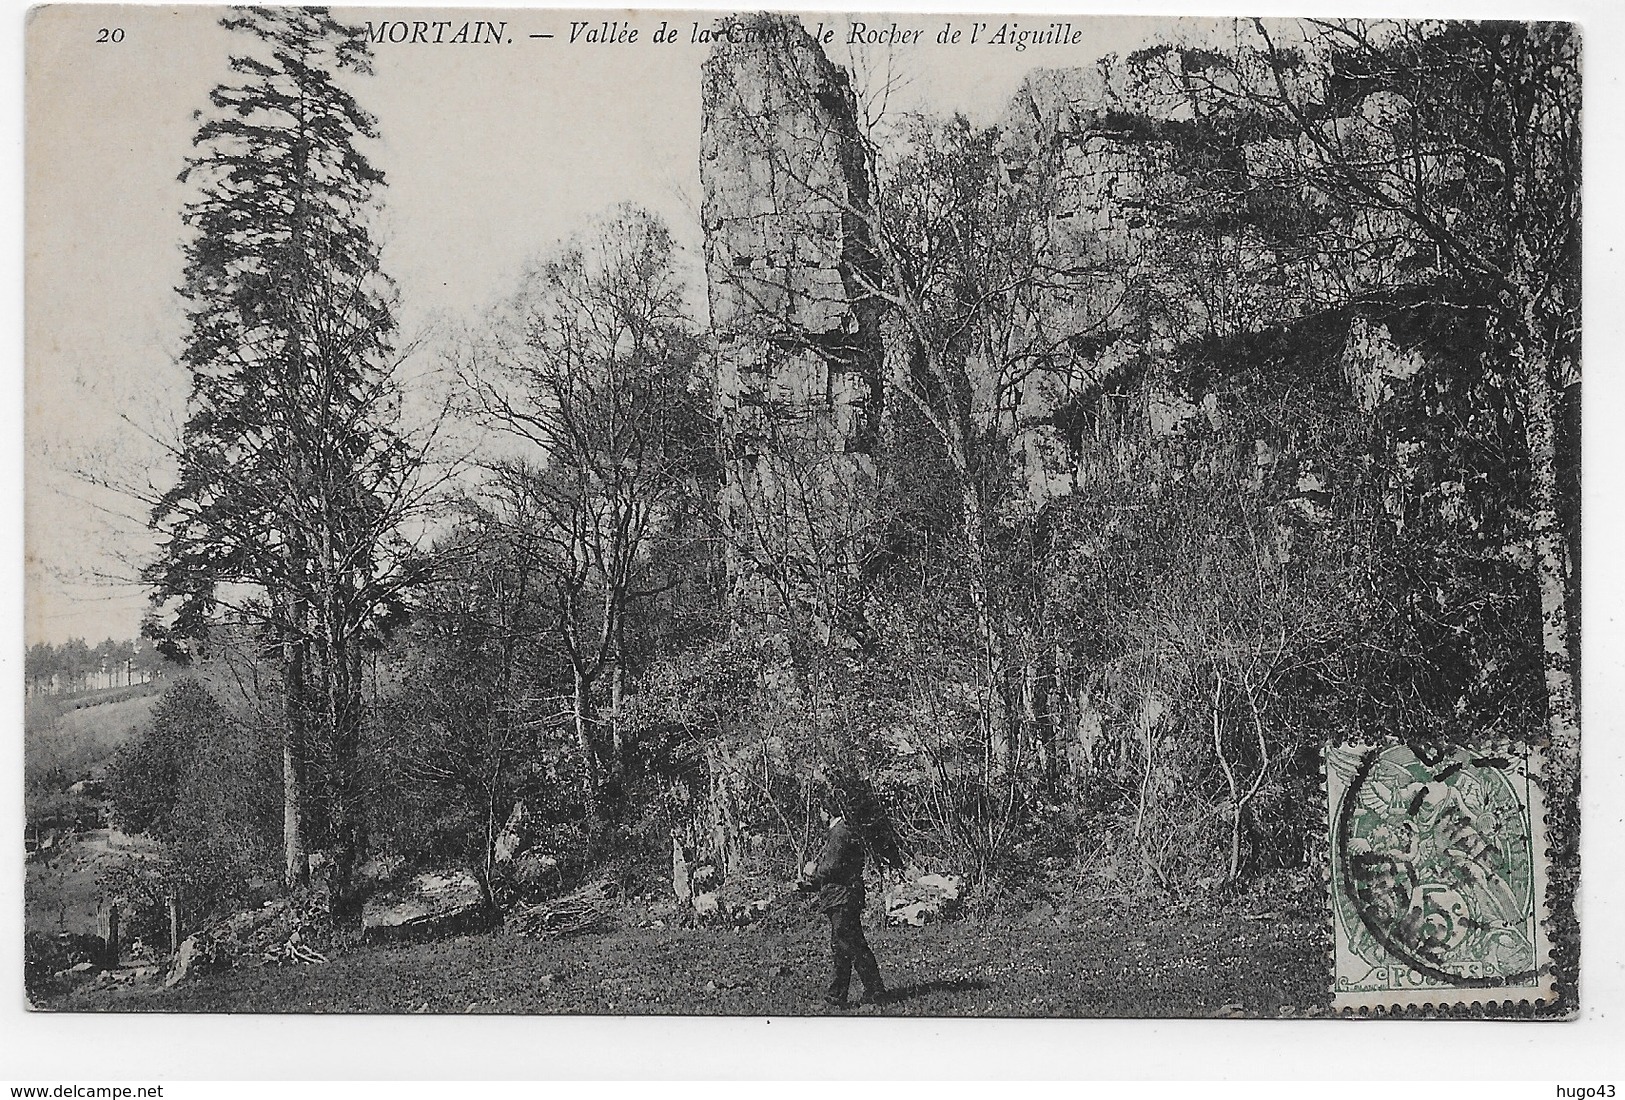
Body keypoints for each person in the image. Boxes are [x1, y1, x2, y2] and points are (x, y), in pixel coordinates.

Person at [800, 800, 886, 1009]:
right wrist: (811, 885)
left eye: (820, 810)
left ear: (827, 810)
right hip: (844, 896)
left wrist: (813, 873)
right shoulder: (844, 830)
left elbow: (833, 867)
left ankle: (872, 993)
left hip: (843, 897)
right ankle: (843, 995)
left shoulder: (839, 833)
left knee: (850, 945)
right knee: (844, 946)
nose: (819, 815)